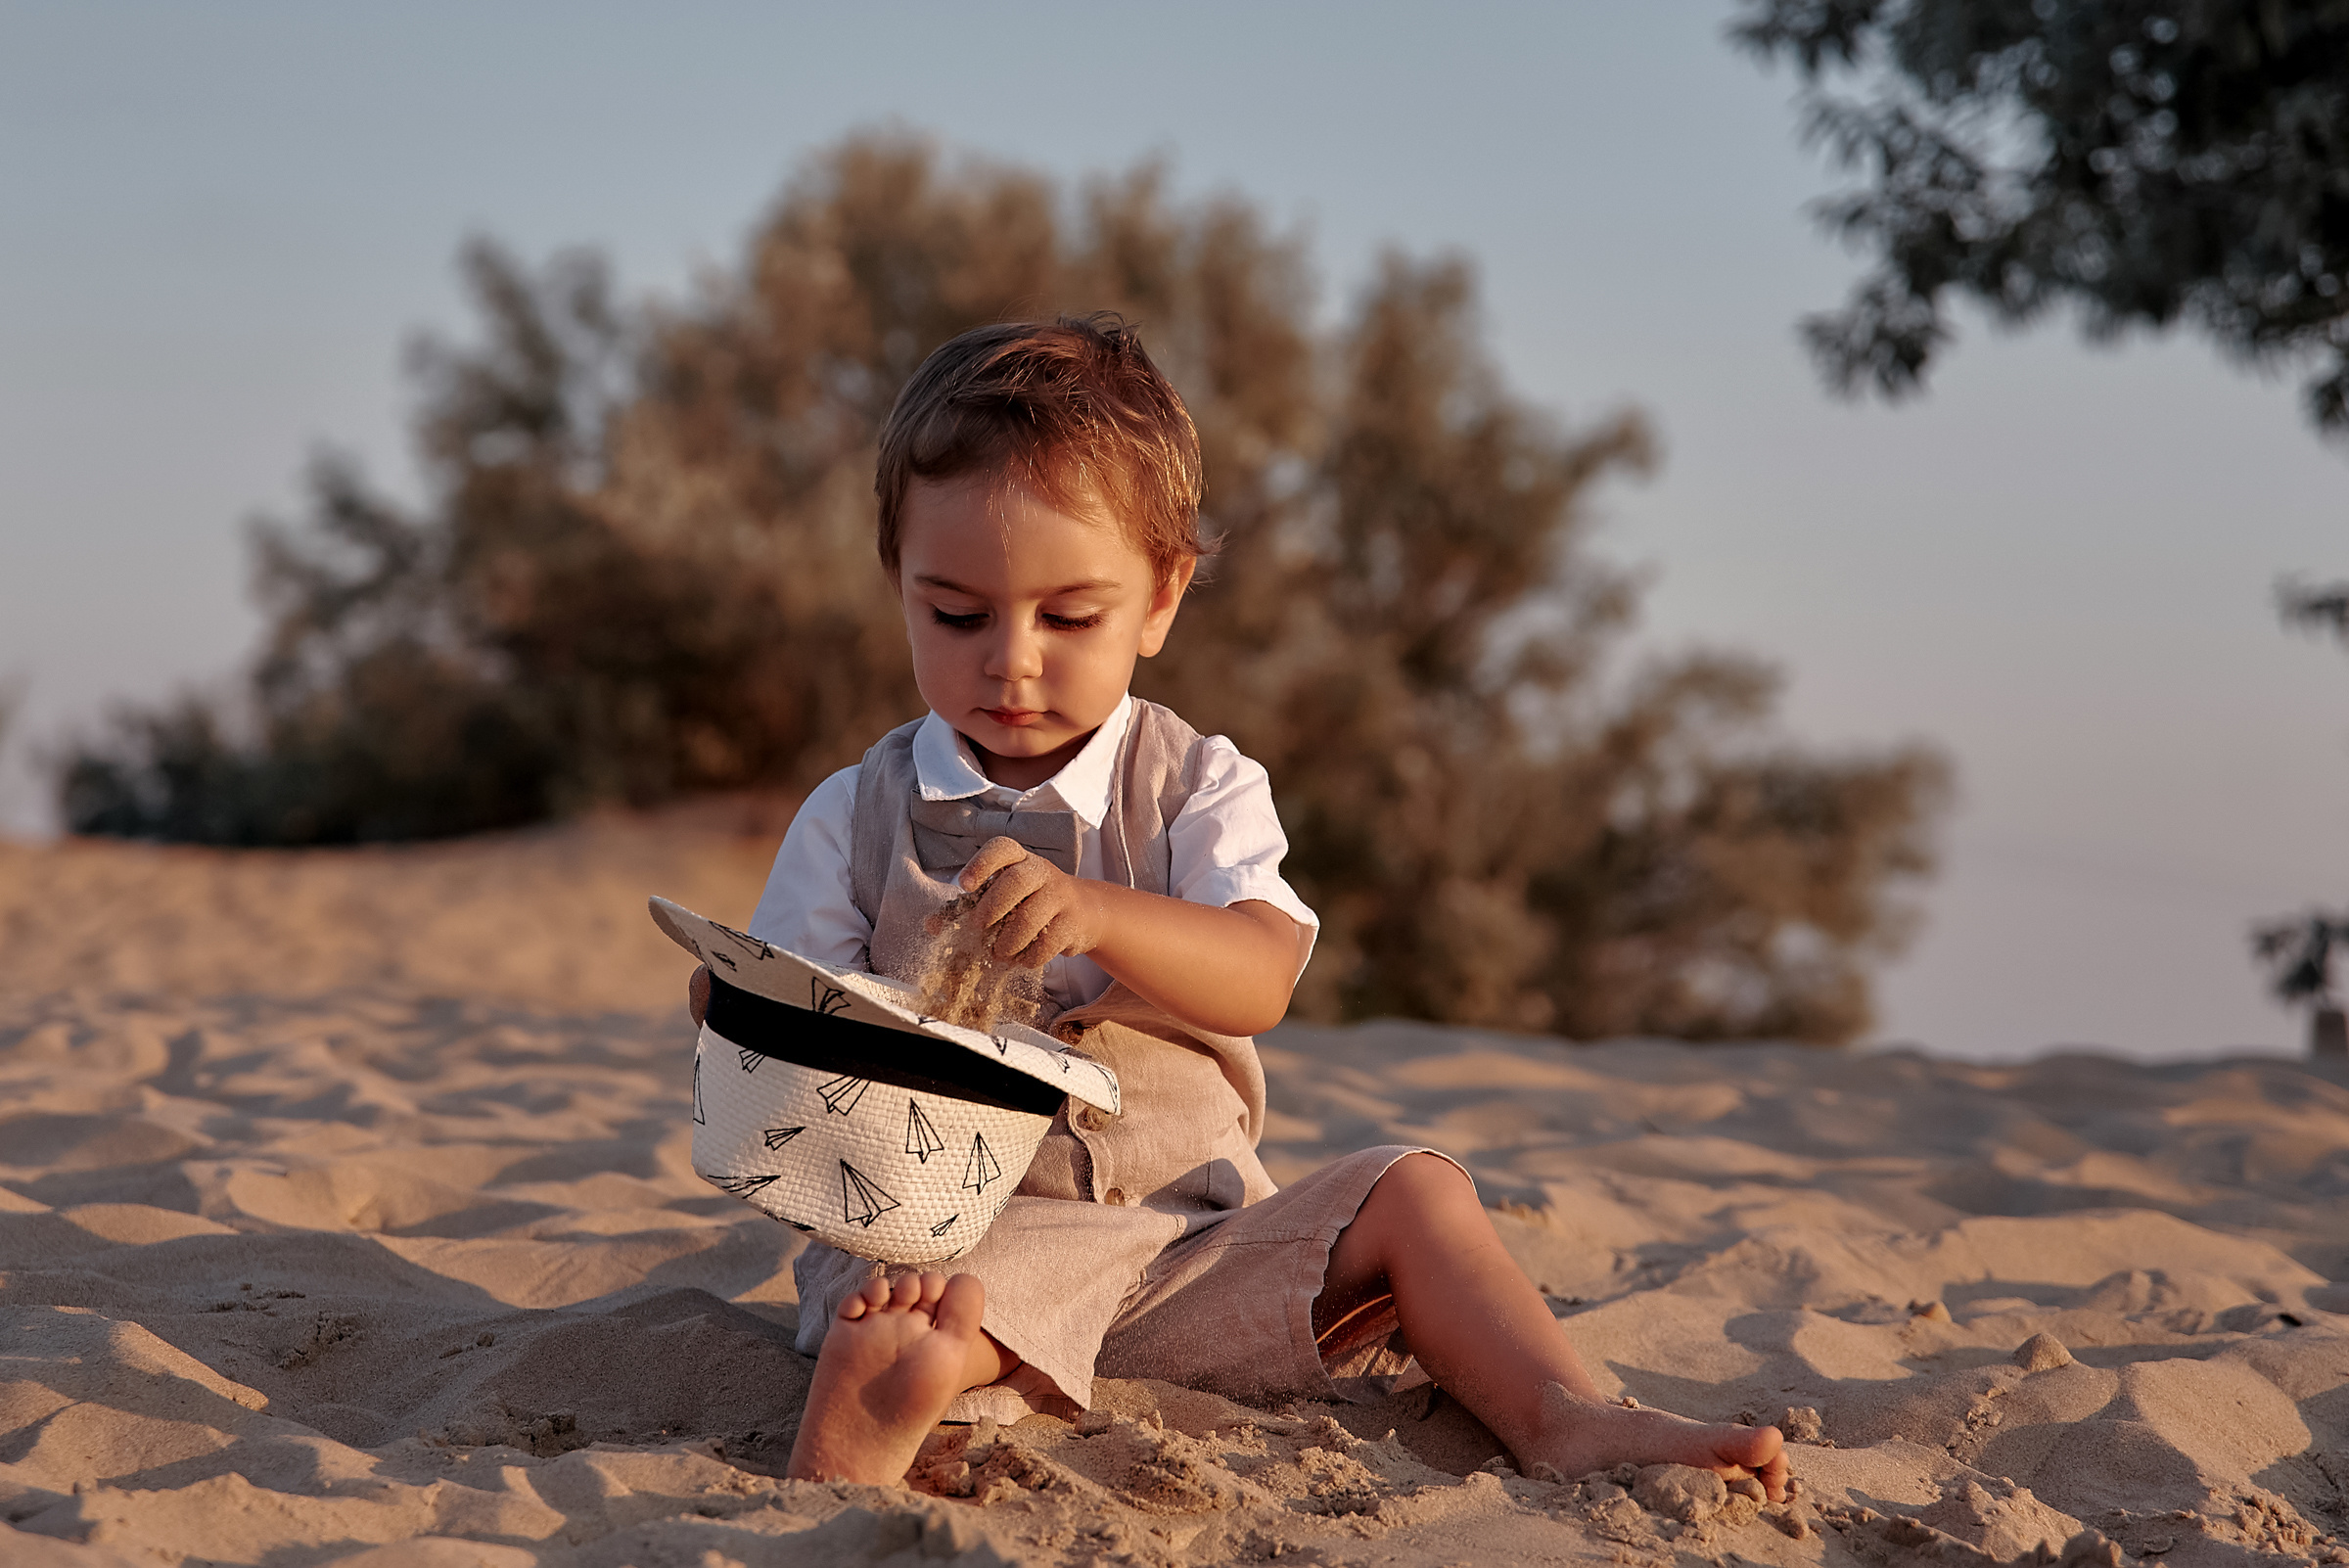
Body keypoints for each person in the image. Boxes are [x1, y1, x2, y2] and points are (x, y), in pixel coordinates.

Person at [695, 315, 1788, 1497]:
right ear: (898, 584)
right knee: (918, 1300)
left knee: (1412, 1187)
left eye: (1070, 617)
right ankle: (886, 1397)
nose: (1010, 660)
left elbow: (1259, 976)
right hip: (956, 1244)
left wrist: (1106, 915)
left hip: (1190, 1250)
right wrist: (747, 1017)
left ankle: (1562, 1413)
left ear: (1161, 600)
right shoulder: (854, 816)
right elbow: (808, 1058)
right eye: (957, 614)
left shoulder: (1196, 788)